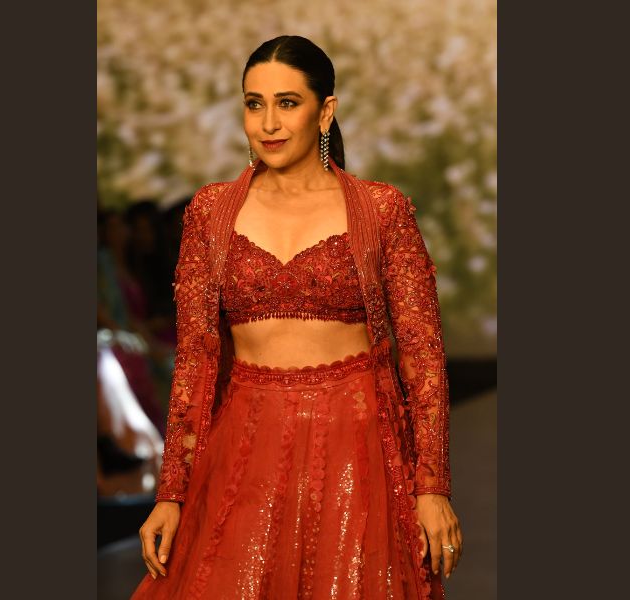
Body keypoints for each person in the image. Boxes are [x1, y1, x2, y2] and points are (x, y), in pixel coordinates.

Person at [132, 35, 462, 599]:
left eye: (287, 103)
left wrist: (431, 488)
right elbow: (195, 361)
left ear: (325, 111)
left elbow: (422, 355)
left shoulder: (380, 209)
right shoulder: (211, 211)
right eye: (254, 103)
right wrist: (171, 493)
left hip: (358, 447)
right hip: (245, 448)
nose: (268, 123)